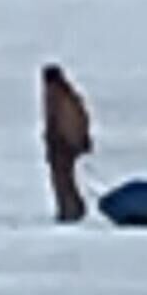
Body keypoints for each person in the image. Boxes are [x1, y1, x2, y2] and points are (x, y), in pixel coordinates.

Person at [40, 62, 93, 223]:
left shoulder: (61, 97)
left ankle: (71, 209)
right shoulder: (61, 95)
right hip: (61, 144)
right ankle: (69, 208)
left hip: (63, 145)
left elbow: (68, 121)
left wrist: (69, 141)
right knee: (62, 179)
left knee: (63, 179)